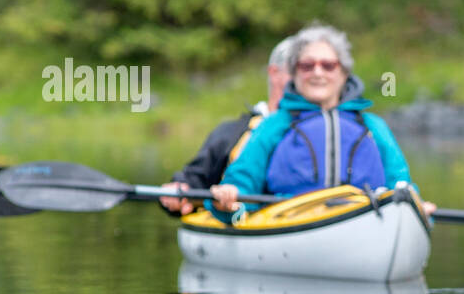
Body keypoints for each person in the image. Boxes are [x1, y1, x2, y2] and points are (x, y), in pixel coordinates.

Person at [208, 24, 435, 219]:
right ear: (295, 73)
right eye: (307, 66)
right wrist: (227, 202)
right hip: (289, 220)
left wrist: (417, 209)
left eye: (328, 65)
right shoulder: (274, 125)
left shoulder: (373, 126)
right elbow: (242, 183)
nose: (318, 73)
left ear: (344, 72)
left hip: (366, 217)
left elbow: (401, 184)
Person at [157, 36, 294, 216]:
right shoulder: (233, 132)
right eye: (301, 69)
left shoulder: (321, 129)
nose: (314, 75)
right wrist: (181, 188)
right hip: (244, 219)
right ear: (275, 73)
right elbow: (197, 178)